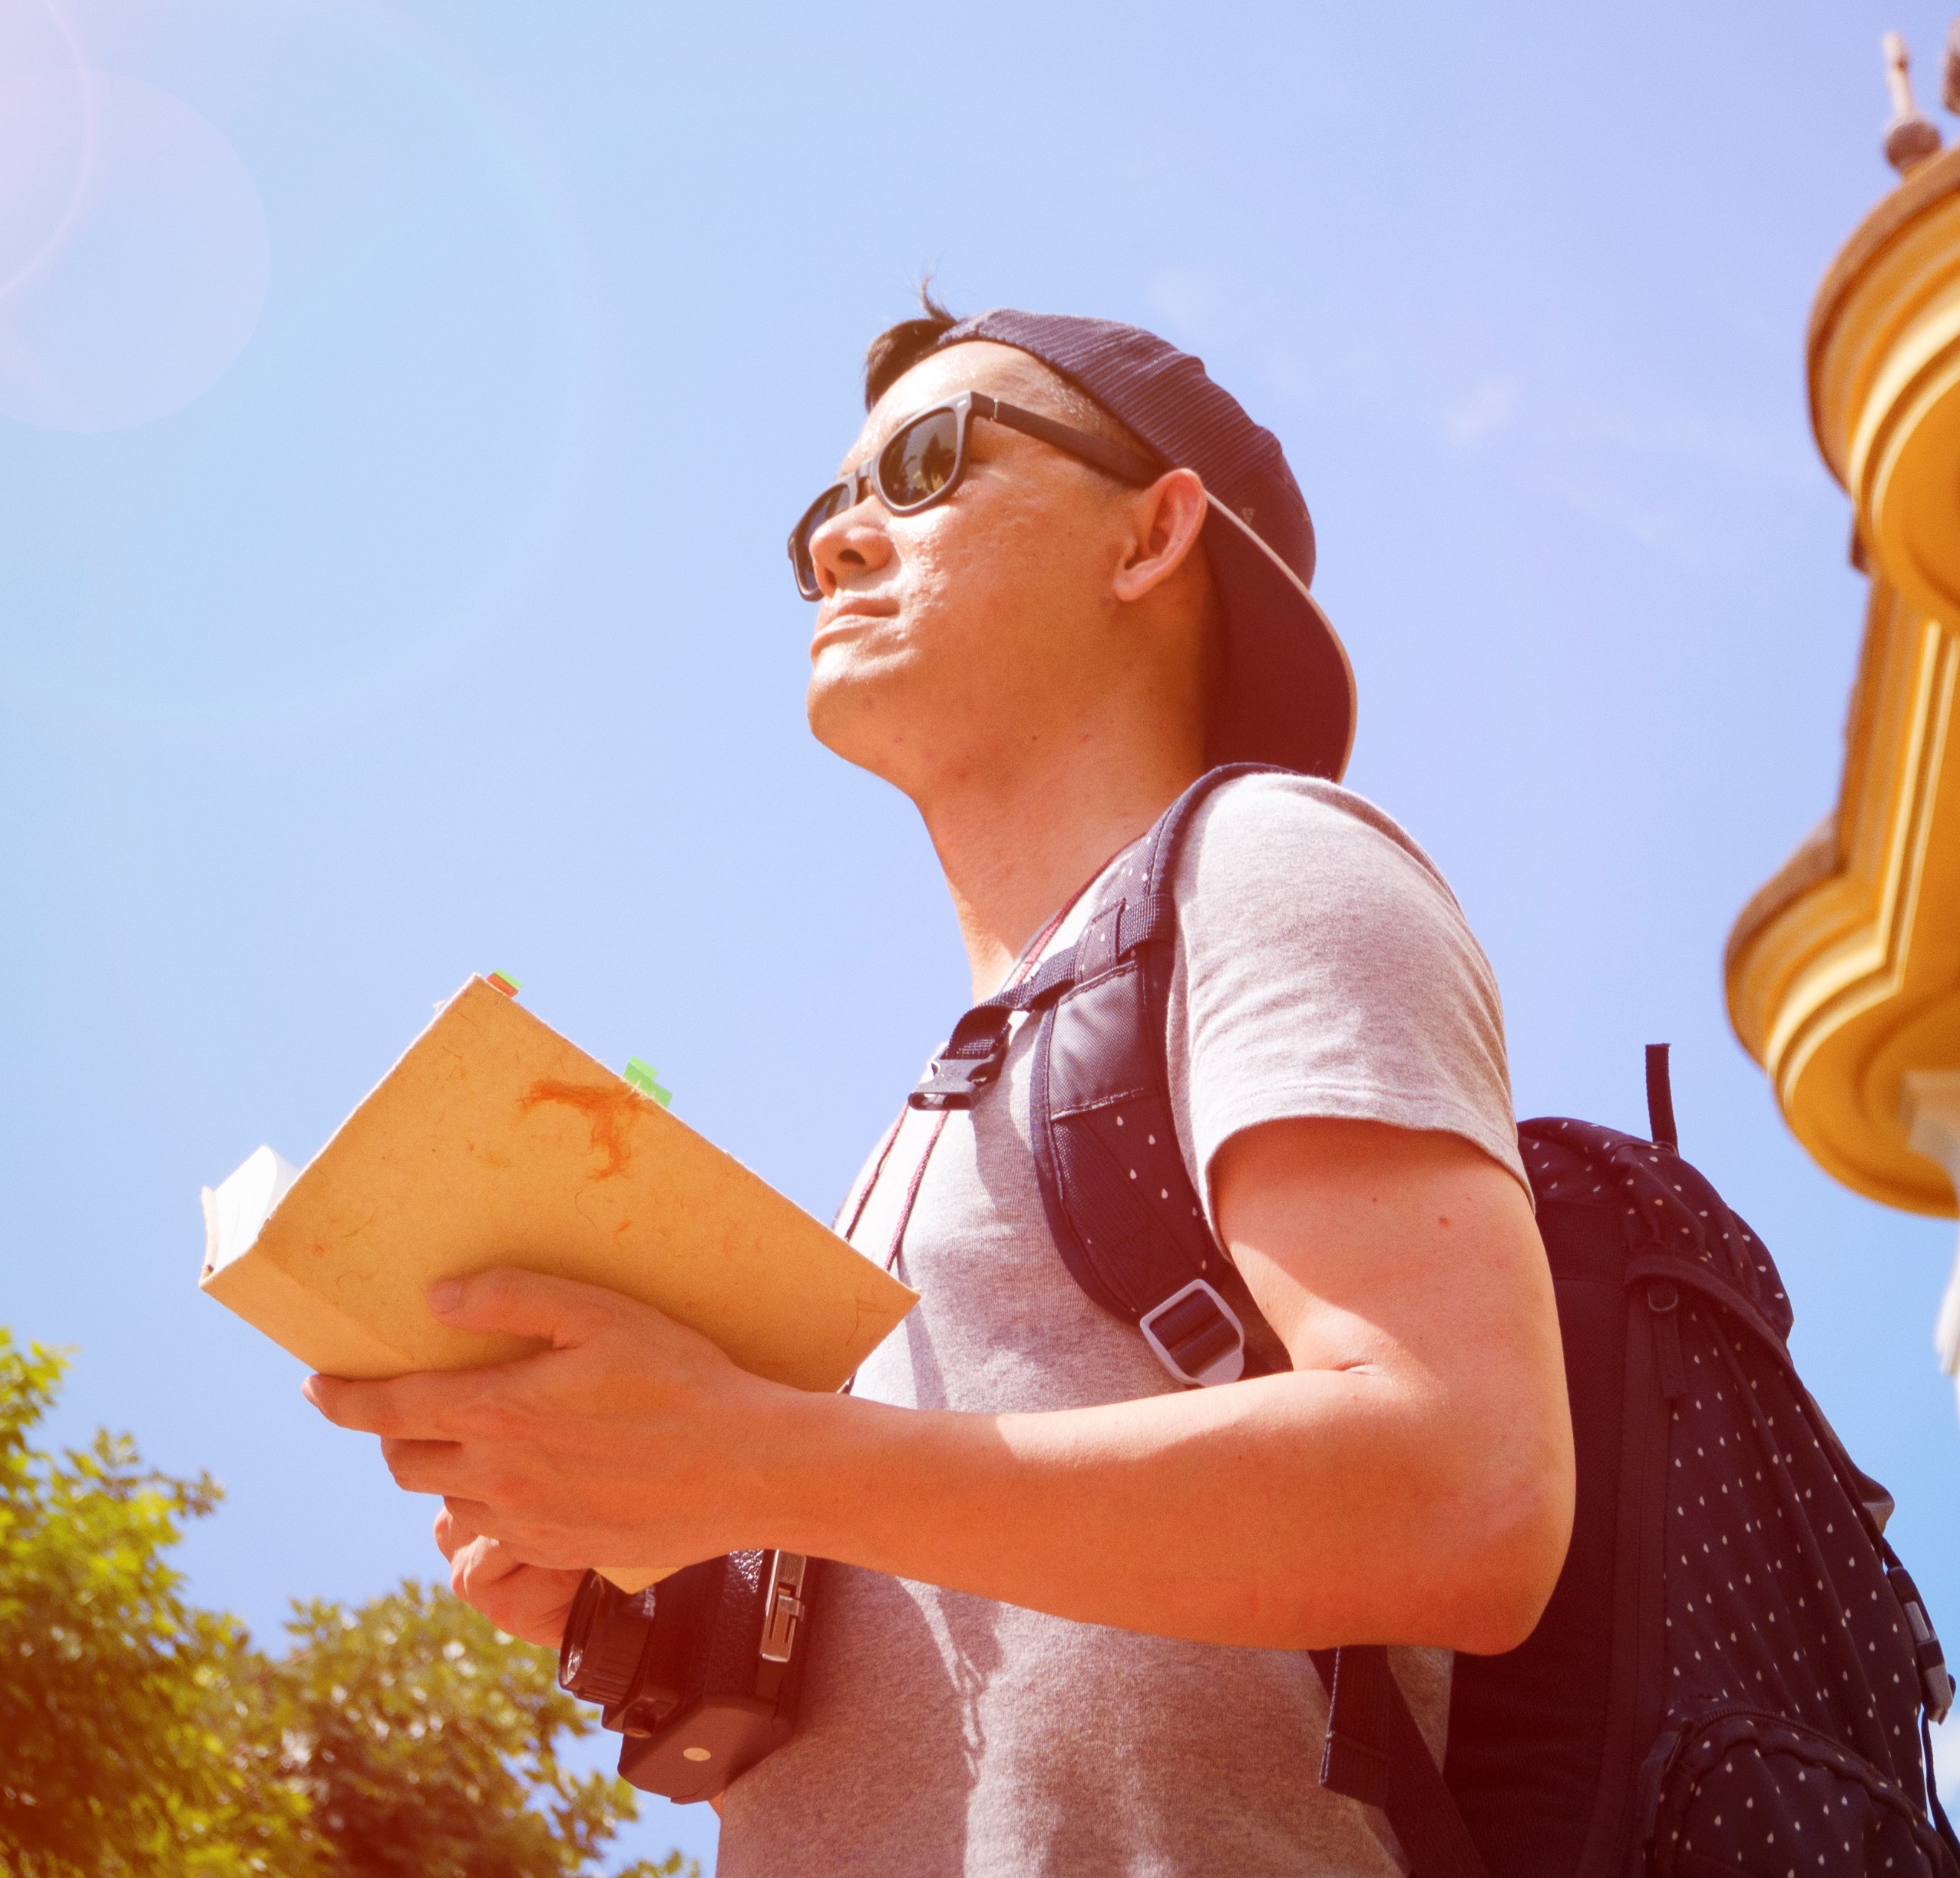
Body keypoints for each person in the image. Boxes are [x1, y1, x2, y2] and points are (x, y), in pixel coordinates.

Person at [305, 297, 1575, 1874]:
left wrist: (748, 1459)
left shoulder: (1270, 865)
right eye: (826, 512)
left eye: (922, 466)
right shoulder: (924, 1115)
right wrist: (638, 1567)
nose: (843, 541)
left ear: (1151, 534)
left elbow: (1463, 1495)